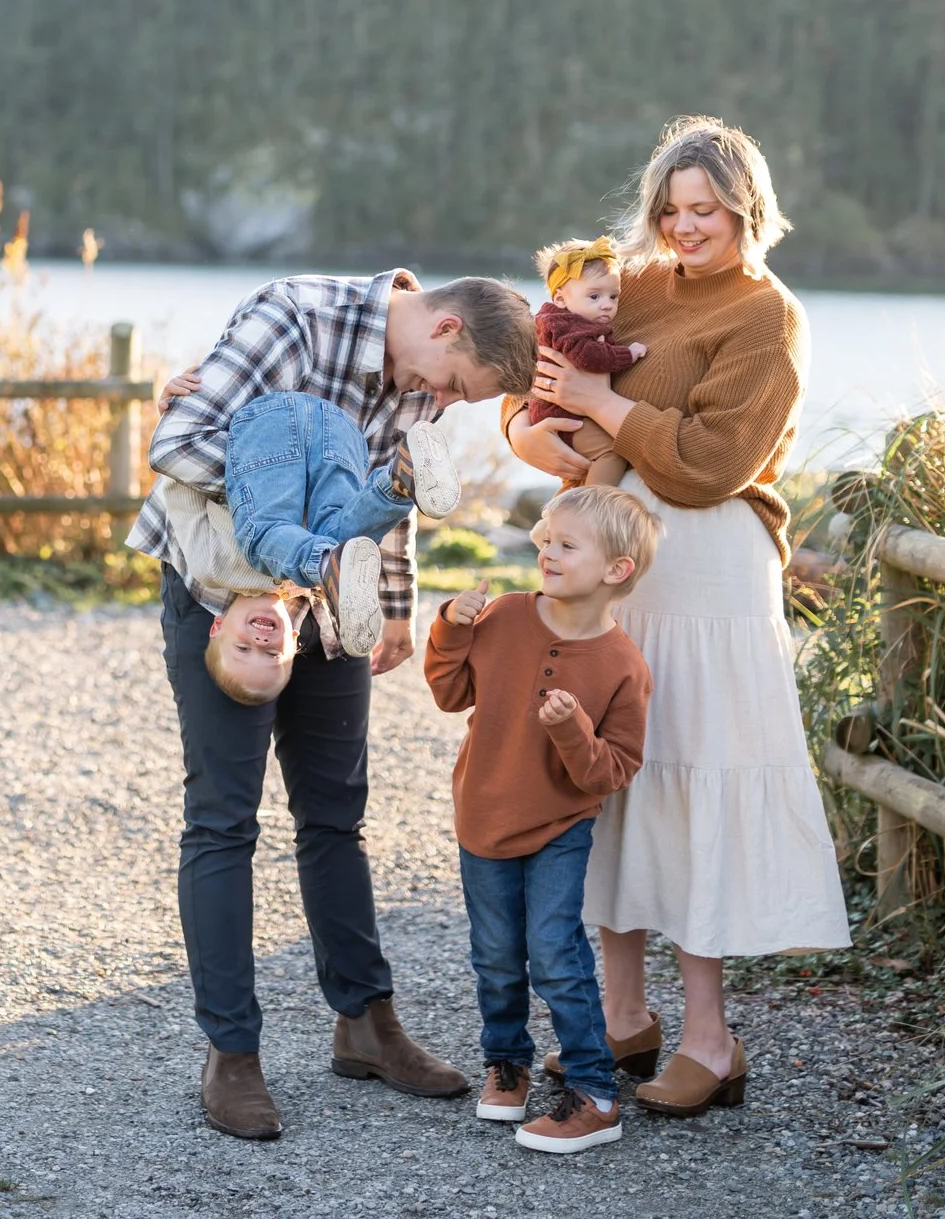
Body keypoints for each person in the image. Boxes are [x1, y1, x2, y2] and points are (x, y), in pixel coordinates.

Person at [130, 270, 538, 1140]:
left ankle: (365, 1023)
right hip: (227, 599)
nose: (444, 401)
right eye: (455, 386)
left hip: (336, 606)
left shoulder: (418, 374)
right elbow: (177, 440)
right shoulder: (299, 318)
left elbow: (394, 495)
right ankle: (231, 1053)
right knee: (222, 820)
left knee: (336, 817)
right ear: (449, 327)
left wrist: (395, 601)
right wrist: (286, 486)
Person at [506, 116, 851, 1119]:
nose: (686, 225)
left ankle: (711, 1034)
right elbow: (539, 386)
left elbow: (709, 462)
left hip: (707, 575)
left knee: (692, 783)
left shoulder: (766, 316)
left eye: (707, 209)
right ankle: (620, 1017)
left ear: (748, 208)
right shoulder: (633, 285)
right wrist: (549, 440)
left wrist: (604, 411)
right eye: (671, 207)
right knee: (606, 775)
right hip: (615, 571)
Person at [426, 485, 658, 1156]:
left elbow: (611, 770)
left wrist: (573, 734)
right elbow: (448, 692)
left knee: (556, 954)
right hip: (484, 815)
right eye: (545, 539)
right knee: (495, 957)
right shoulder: (502, 617)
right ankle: (508, 1062)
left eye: (566, 543)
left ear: (616, 569)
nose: (547, 552)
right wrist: (450, 625)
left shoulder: (622, 666)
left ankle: (595, 1092)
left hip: (560, 826)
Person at [148, 388, 463, 685]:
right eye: (272, 654)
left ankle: (330, 560)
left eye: (243, 649)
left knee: (261, 540)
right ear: (294, 640)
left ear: (216, 627)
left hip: (269, 427)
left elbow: (180, 492)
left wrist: (183, 409)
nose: (259, 642)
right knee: (339, 531)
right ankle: (398, 481)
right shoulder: (304, 586)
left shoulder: (209, 568)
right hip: (341, 431)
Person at [520, 236, 646, 486]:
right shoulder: (567, 327)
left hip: (561, 413)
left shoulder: (559, 319)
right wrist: (628, 354)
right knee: (610, 454)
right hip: (561, 416)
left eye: (613, 297)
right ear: (560, 299)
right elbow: (589, 357)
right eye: (594, 297)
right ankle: (591, 506)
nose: (607, 306)